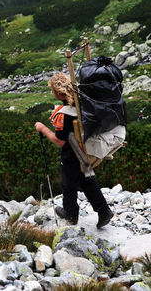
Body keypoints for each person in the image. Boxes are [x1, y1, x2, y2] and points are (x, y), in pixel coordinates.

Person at [35, 72, 113, 228]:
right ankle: (104, 210)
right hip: (85, 148)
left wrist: (43, 128)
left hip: (71, 153)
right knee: (87, 180)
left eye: (52, 90)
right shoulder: (82, 101)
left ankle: (71, 215)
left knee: (68, 185)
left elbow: (59, 141)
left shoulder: (64, 113)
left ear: (58, 93)